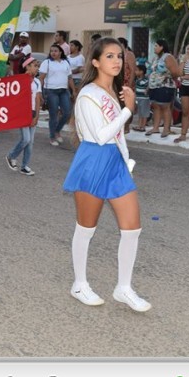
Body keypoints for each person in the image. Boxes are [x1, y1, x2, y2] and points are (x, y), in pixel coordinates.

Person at [63, 37, 150, 312]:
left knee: (132, 229)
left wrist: (126, 160)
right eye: (109, 56)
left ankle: (124, 288)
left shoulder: (115, 91)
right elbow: (101, 136)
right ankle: (79, 284)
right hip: (93, 161)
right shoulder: (88, 94)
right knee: (86, 229)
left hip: (115, 163)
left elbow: (116, 135)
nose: (116, 61)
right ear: (96, 62)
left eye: (119, 56)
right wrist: (128, 110)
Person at [5, 57, 42, 176]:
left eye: (37, 66)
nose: (37, 68)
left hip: (32, 112)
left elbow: (37, 99)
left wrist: (36, 116)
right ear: (27, 66)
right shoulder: (20, 80)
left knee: (30, 142)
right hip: (23, 113)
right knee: (26, 139)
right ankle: (11, 156)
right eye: (35, 65)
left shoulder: (37, 82)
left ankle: (24, 166)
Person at [39, 43, 75, 146]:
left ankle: (57, 130)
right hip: (51, 91)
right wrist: (40, 92)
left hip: (64, 90)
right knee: (53, 115)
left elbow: (70, 78)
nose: (53, 53)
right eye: (51, 51)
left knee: (67, 112)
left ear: (60, 52)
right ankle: (52, 137)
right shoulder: (47, 62)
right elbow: (41, 78)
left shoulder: (65, 62)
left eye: (55, 51)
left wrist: (73, 90)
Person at [145, 39, 179, 138]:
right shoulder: (155, 58)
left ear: (162, 47)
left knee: (165, 107)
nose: (154, 48)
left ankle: (166, 129)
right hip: (154, 86)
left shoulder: (168, 57)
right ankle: (155, 127)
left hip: (165, 86)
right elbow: (152, 72)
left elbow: (175, 72)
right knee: (156, 106)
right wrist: (148, 86)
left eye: (156, 46)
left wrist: (166, 77)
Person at [133, 64, 149, 131]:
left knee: (144, 112)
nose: (135, 72)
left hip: (144, 98)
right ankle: (139, 125)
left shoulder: (146, 79)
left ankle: (143, 126)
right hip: (138, 97)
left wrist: (147, 90)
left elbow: (148, 86)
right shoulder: (137, 79)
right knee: (140, 112)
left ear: (141, 71)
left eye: (136, 70)